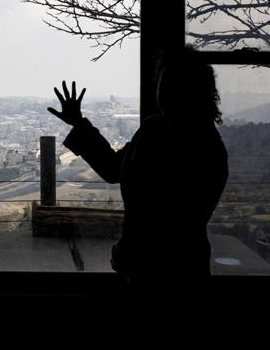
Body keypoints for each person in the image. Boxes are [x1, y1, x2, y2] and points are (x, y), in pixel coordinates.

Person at [47, 46, 228, 298]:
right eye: (162, 86)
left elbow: (170, 220)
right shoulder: (158, 131)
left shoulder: (202, 146)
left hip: (175, 272)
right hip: (163, 267)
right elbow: (115, 168)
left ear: (194, 92)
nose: (164, 95)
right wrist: (79, 123)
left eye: (173, 86)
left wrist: (131, 250)